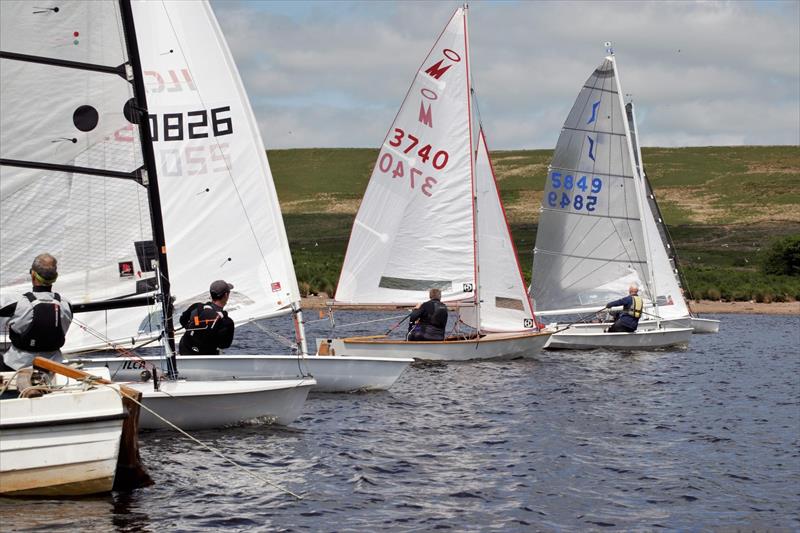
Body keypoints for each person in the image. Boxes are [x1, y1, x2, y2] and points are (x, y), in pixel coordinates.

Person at [1, 253, 73, 370]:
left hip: (17, 366)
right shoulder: (66, 305)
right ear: (55, 277)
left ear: (33, 274)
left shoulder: (16, 302)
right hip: (54, 367)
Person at [178, 280, 235, 355]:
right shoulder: (227, 322)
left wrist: (194, 329)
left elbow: (182, 320)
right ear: (226, 295)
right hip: (206, 357)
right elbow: (224, 345)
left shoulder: (196, 307)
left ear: (211, 295)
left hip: (185, 351)